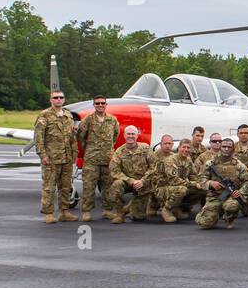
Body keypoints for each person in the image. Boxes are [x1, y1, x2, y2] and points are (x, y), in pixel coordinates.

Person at [33, 88, 78, 224]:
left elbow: (72, 137)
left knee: (65, 186)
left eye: (61, 97)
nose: (59, 100)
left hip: (67, 158)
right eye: (56, 97)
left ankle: (64, 212)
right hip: (51, 158)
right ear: (51, 100)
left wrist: (74, 154)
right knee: (49, 186)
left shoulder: (68, 115)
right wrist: (43, 155)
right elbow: (38, 137)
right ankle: (48, 213)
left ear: (64, 100)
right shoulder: (44, 115)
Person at [76, 94, 120, 222]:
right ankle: (86, 212)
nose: (100, 105)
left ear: (106, 105)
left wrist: (107, 149)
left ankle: (107, 210)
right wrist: (90, 149)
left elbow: (115, 136)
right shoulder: (88, 120)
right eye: (97, 103)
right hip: (92, 160)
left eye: (102, 103)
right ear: (94, 105)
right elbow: (81, 137)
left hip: (107, 158)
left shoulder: (112, 120)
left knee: (108, 186)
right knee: (89, 186)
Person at [195, 137, 248, 230]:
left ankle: (229, 219)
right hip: (215, 197)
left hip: (231, 196)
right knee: (205, 224)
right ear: (220, 148)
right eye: (224, 146)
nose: (226, 149)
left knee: (232, 206)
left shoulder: (239, 165)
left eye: (229, 147)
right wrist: (210, 183)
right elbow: (201, 180)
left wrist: (240, 192)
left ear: (233, 149)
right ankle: (210, 212)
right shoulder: (210, 164)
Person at [107, 126, 158, 223]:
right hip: (127, 182)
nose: (131, 136)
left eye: (133, 134)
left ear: (137, 135)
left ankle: (130, 207)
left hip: (144, 184)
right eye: (128, 134)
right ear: (124, 135)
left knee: (137, 217)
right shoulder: (119, 152)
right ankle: (119, 214)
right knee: (116, 185)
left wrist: (143, 181)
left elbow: (154, 167)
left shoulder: (145, 148)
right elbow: (114, 170)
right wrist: (130, 181)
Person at [154, 138, 206, 223]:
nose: (186, 150)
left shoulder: (188, 160)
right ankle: (167, 209)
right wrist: (193, 184)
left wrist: (200, 183)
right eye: (184, 147)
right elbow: (174, 180)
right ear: (179, 148)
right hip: (163, 188)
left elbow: (193, 175)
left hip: (179, 186)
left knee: (202, 189)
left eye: (188, 148)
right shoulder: (171, 160)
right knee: (182, 189)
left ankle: (178, 208)